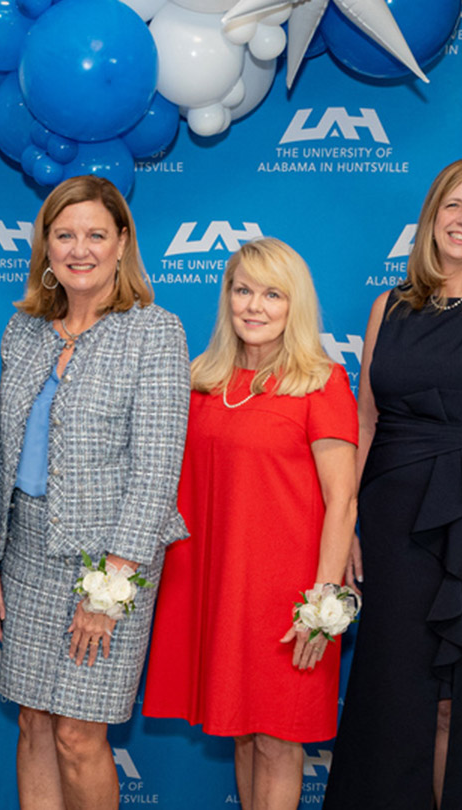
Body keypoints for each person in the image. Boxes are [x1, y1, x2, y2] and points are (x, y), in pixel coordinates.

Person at [324, 157, 462, 809]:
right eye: (455, 205)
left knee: (459, 703)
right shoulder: (387, 309)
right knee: (392, 699)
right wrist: (343, 534)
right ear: (433, 217)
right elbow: (364, 424)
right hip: (394, 532)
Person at [0, 174, 189, 809]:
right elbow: (6, 453)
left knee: (78, 734)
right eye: (64, 234)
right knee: (34, 724)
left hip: (109, 561)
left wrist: (108, 589)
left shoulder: (155, 331)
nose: (80, 249)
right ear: (46, 246)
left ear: (122, 242)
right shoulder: (23, 332)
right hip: (25, 554)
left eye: (96, 234)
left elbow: (157, 471)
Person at [144, 238, 358, 810]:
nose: (254, 306)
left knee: (279, 741)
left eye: (272, 294)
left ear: (296, 306)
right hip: (218, 586)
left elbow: (343, 501)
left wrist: (323, 603)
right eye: (243, 291)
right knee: (242, 732)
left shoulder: (322, 382)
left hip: (290, 598)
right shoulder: (201, 382)